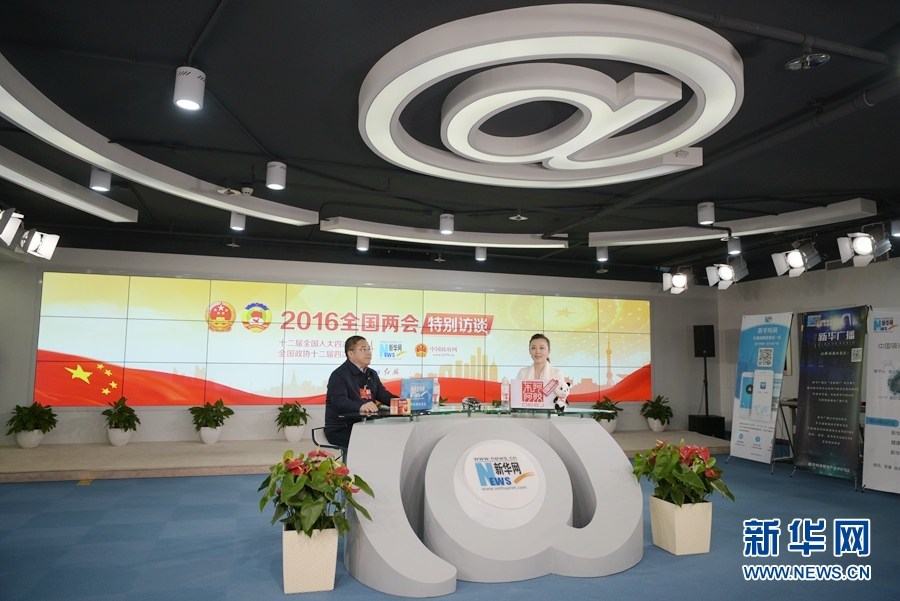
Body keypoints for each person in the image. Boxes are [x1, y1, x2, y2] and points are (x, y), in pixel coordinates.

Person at [324, 335, 394, 450]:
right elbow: (340, 402)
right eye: (363, 349)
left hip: (365, 425)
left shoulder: (371, 374)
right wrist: (361, 406)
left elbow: (384, 395)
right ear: (351, 354)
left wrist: (403, 402)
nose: (368, 353)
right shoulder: (339, 375)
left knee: (391, 436)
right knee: (376, 442)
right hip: (341, 428)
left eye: (369, 349)